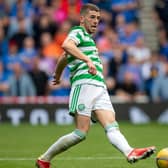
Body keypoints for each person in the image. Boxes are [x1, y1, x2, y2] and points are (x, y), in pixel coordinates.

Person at [36, 3, 155, 168]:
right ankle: (44, 159)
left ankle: (129, 151)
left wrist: (57, 73)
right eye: (92, 17)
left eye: (98, 18)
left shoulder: (88, 40)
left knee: (112, 126)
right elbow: (66, 46)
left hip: (99, 87)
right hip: (84, 85)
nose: (96, 21)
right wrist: (87, 60)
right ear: (82, 18)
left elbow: (64, 56)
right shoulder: (78, 32)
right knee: (80, 133)